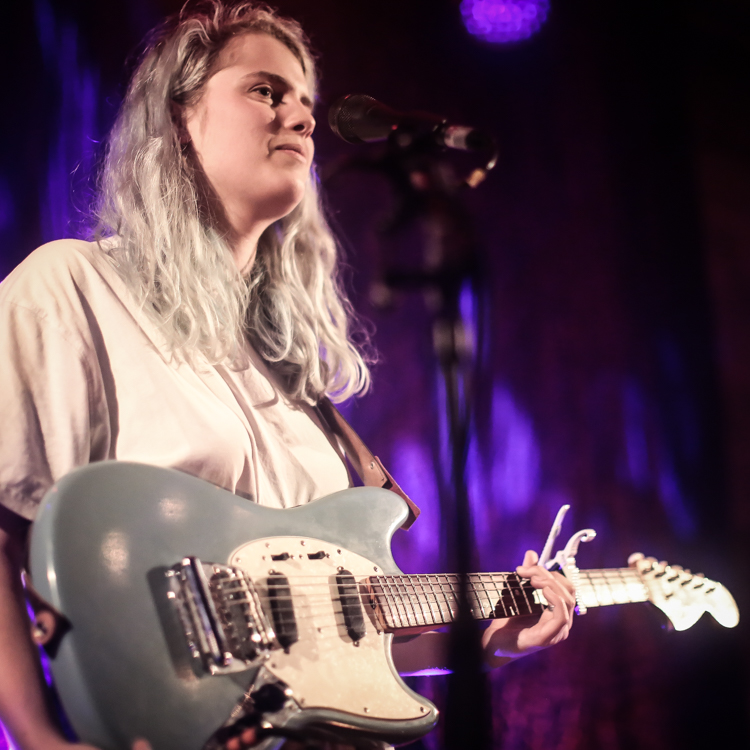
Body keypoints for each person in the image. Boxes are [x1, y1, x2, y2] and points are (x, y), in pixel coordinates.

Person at [0, 3, 576, 750]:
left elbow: (332, 651)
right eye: (267, 92)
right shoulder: (73, 288)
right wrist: (40, 737)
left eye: (305, 100)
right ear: (179, 116)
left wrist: (486, 640)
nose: (302, 119)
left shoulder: (299, 386)